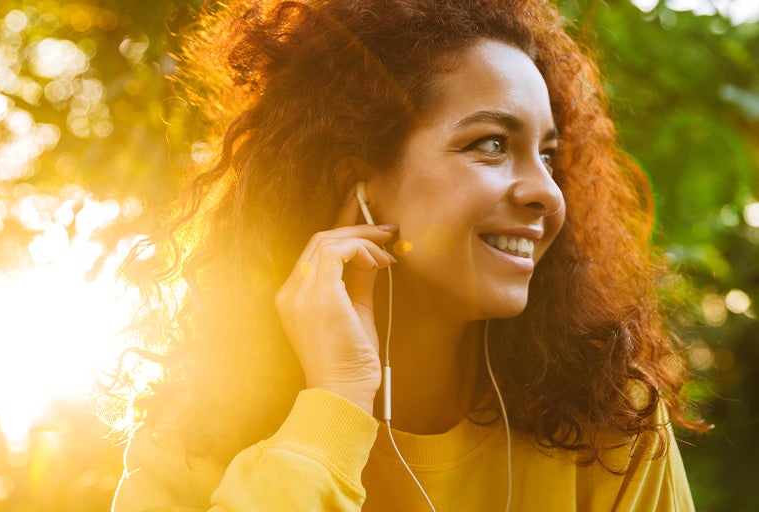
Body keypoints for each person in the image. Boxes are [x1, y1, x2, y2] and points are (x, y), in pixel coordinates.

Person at [108, 0, 706, 510]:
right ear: (360, 188)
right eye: (492, 145)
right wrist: (335, 405)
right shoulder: (189, 438)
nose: (547, 193)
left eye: (548, 155)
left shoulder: (607, 414)